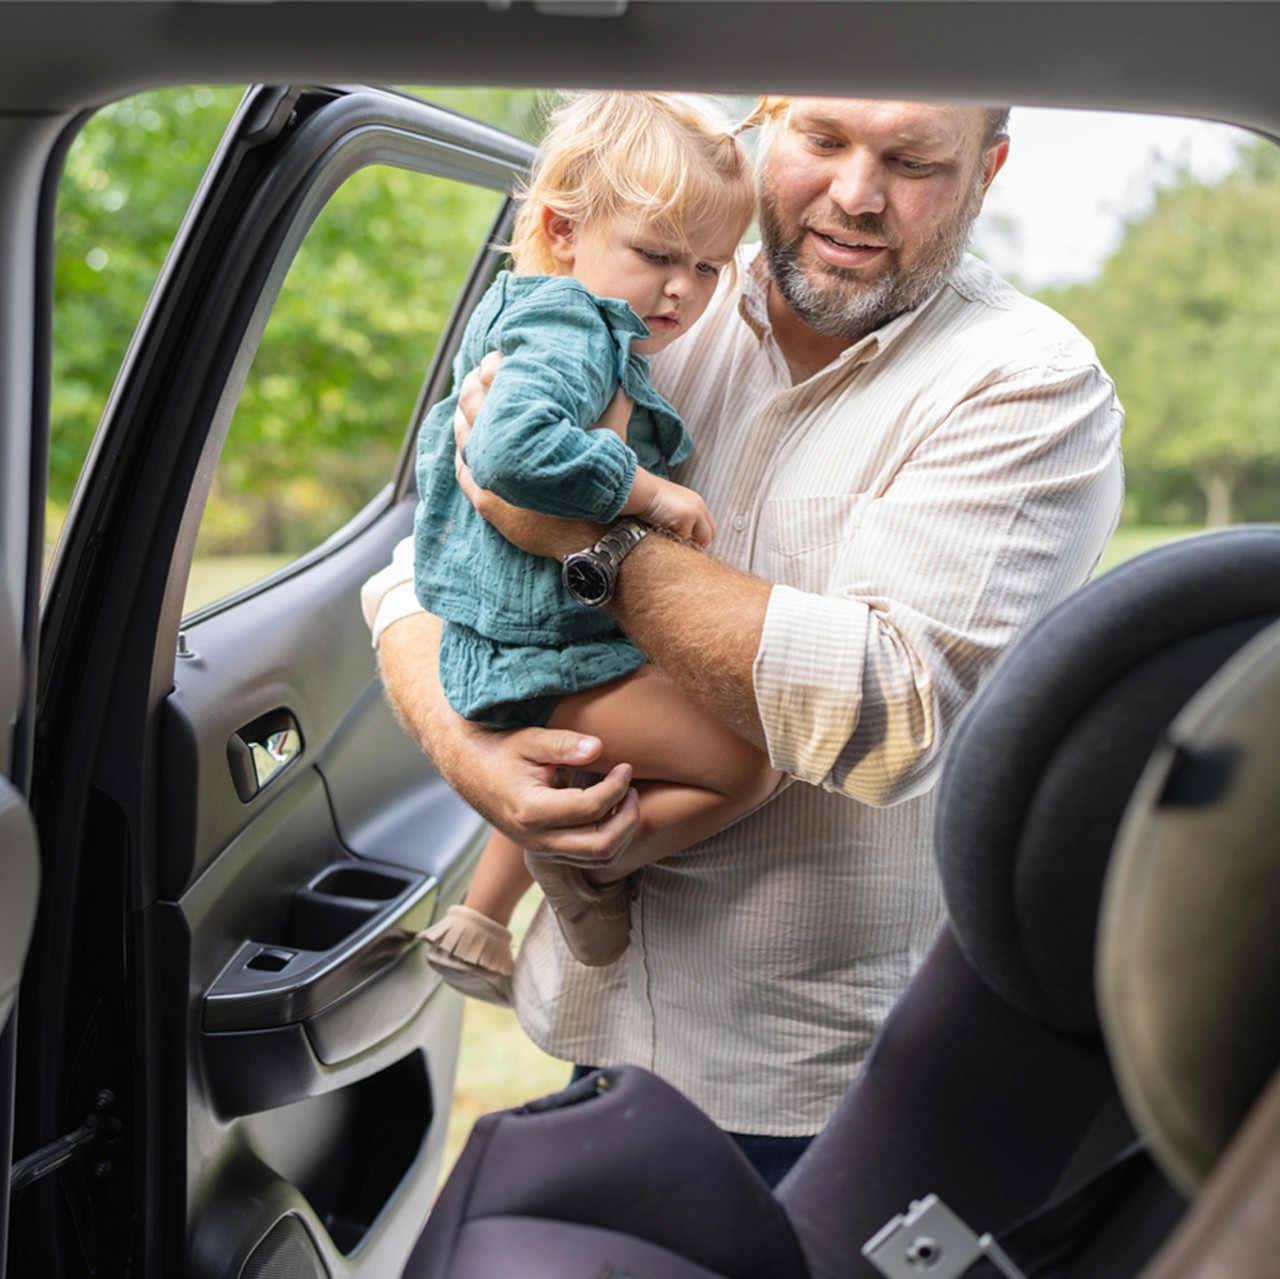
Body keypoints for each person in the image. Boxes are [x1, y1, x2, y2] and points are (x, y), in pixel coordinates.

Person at [363, 95, 1125, 1188]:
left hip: (815, 1086)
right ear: (765, 121)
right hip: (591, 1026)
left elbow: (890, 711)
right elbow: (416, 570)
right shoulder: (635, 292)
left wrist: (589, 533)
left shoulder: (1029, 382)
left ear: (987, 167)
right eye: (822, 141)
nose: (856, 194)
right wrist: (473, 758)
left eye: (911, 160)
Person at [411, 91, 777, 1007]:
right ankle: (585, 866)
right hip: (541, 645)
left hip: (523, 638)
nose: (682, 289)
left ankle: (480, 919)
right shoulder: (570, 327)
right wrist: (643, 489)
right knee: (750, 759)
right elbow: (505, 452)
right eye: (656, 255)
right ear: (561, 228)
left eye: (708, 266)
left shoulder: (556, 319)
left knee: (593, 750)